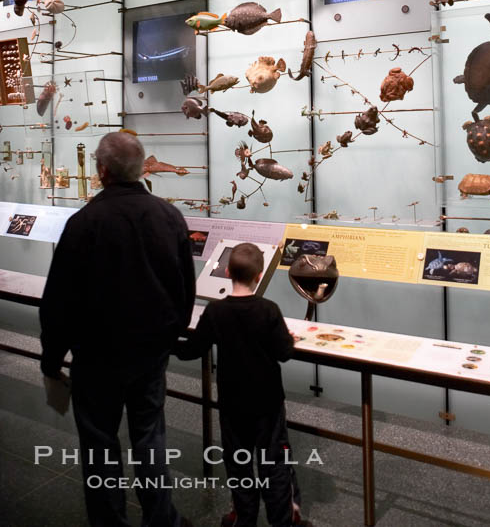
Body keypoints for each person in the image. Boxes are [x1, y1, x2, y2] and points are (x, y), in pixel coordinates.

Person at [39, 132, 195, 527]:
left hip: (96, 356)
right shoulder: (169, 216)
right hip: (150, 353)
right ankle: (161, 519)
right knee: (150, 438)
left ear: (102, 170)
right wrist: (169, 336)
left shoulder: (83, 223)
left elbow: (59, 300)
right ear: (142, 167)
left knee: (99, 444)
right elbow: (184, 290)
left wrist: (51, 359)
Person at [175, 242, 313, 527]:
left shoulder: (215, 312)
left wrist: (164, 340)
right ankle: (282, 519)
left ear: (227, 272)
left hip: (232, 402)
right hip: (268, 404)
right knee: (275, 462)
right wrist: (289, 339)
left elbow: (191, 350)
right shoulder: (269, 310)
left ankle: (244, 516)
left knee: (238, 463)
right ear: (259, 276)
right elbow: (283, 353)